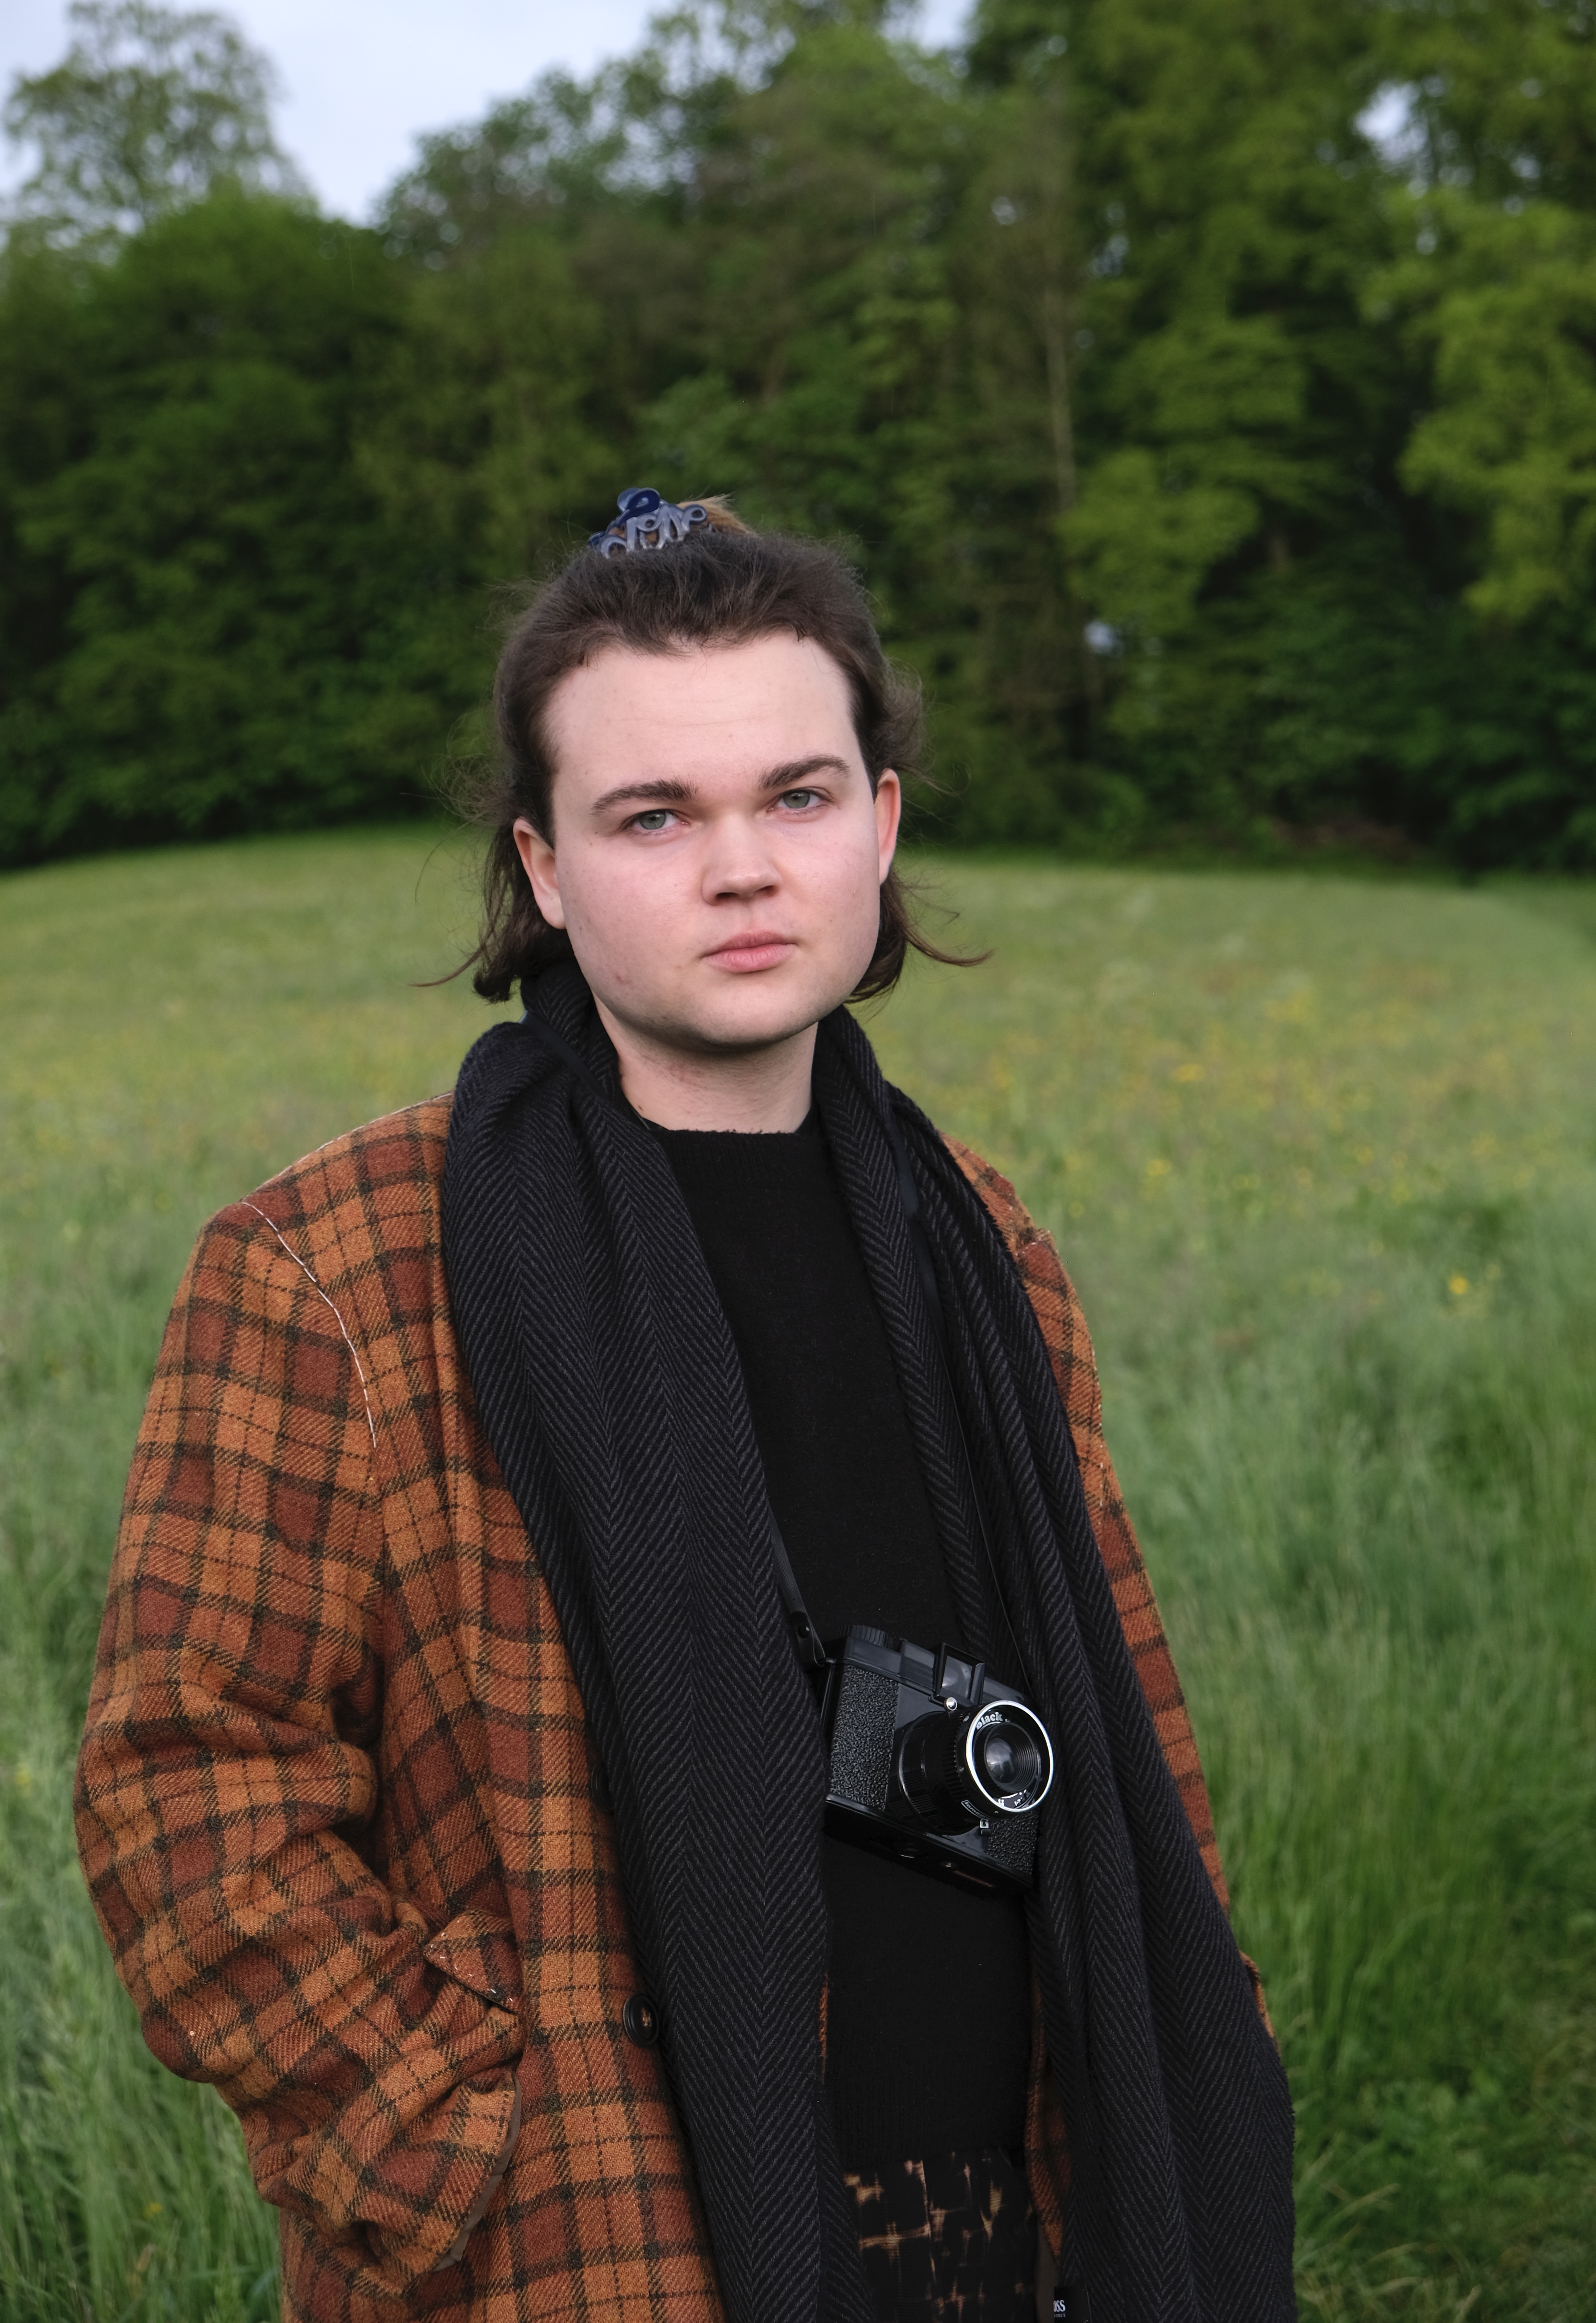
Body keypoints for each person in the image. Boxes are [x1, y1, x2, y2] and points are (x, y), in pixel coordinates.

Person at [76, 492, 1295, 2323]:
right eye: (654, 816)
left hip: (1022, 2223)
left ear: (877, 824)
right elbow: (188, 1790)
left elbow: (1125, 1720)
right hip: (606, 2250)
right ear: (545, 868)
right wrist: (459, 2150)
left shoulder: (981, 1247)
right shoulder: (337, 1266)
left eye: (796, 797)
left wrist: (1196, 2023)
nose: (743, 867)